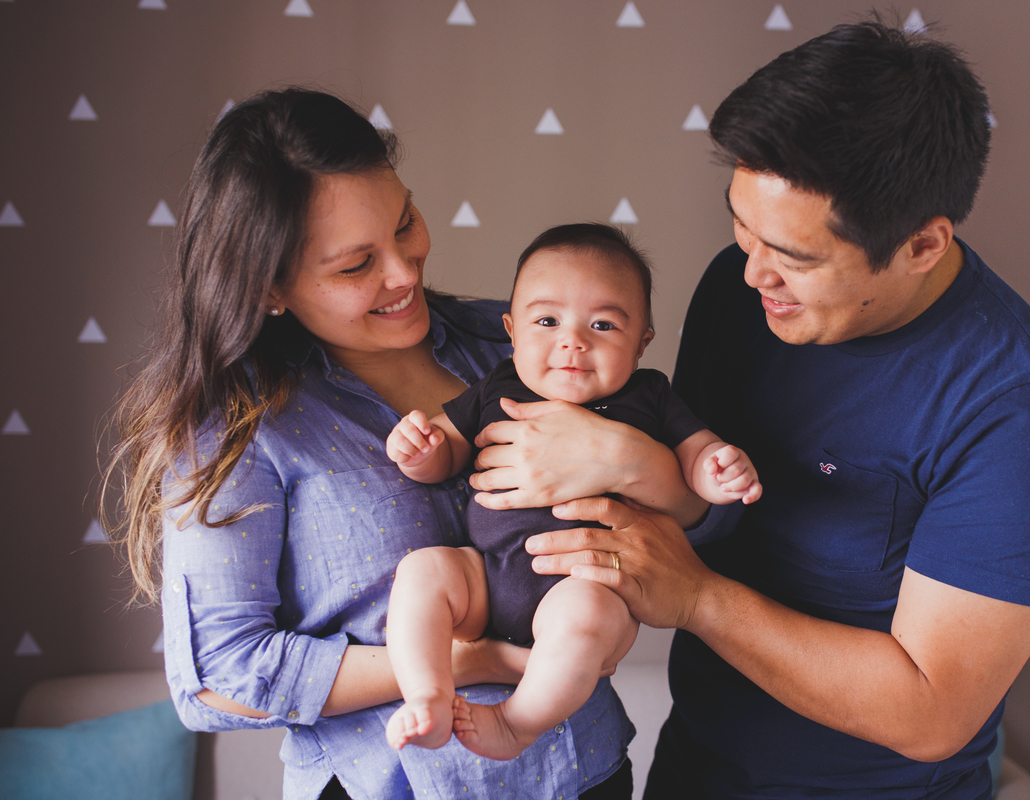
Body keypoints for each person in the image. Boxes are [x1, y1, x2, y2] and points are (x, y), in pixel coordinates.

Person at [511, 21, 1030, 799]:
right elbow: (704, 498)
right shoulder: (742, 292)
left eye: (794, 257)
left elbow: (932, 713)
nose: (753, 273)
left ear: (922, 245)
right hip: (691, 764)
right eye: (741, 225)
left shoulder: (1022, 416)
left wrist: (697, 598)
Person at [102, 88, 704, 800]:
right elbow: (217, 679)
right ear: (269, 288)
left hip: (582, 772)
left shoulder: (524, 343)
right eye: (356, 265)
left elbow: (703, 525)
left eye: (405, 223)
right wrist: (470, 662)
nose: (405, 272)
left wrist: (632, 465)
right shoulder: (238, 426)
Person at [381, 224, 761, 761]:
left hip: (585, 581)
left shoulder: (649, 396)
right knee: (423, 571)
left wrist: (716, 467)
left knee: (583, 618)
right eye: (547, 321)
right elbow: (447, 450)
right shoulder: (499, 386)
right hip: (487, 575)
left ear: (642, 341)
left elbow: (695, 453)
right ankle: (427, 694)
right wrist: (420, 450)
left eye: (603, 324)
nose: (573, 341)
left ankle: (516, 724)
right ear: (512, 330)